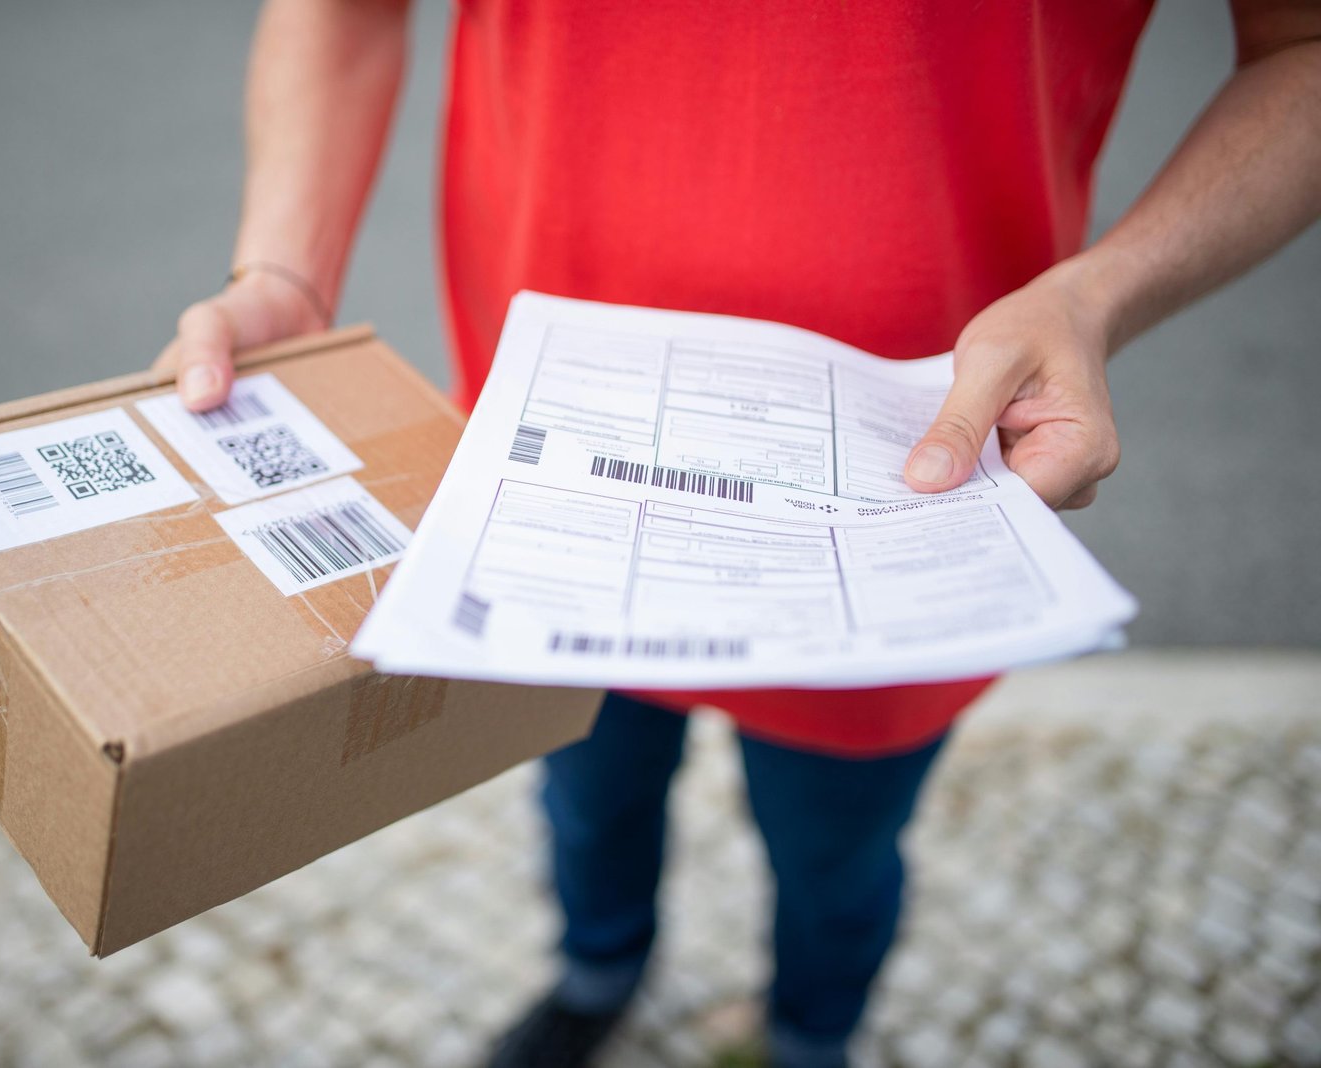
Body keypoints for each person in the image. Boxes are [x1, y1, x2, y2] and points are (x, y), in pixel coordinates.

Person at [153, 3, 1321, 1065]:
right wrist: (287, 277)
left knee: (835, 856)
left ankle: (811, 1036)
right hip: (554, 466)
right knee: (586, 797)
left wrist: (1099, 293)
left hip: (901, 481)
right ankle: (596, 975)